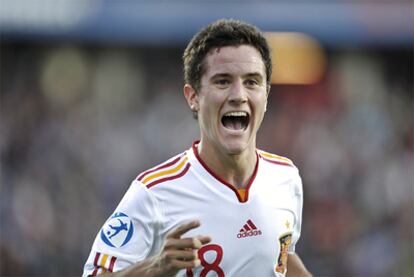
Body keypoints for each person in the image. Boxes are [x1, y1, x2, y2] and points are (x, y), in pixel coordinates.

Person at [83, 19, 312, 277]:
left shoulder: (286, 177)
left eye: (251, 82)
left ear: (266, 95)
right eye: (223, 81)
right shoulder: (153, 193)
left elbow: (283, 256)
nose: (239, 95)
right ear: (193, 97)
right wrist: (156, 268)